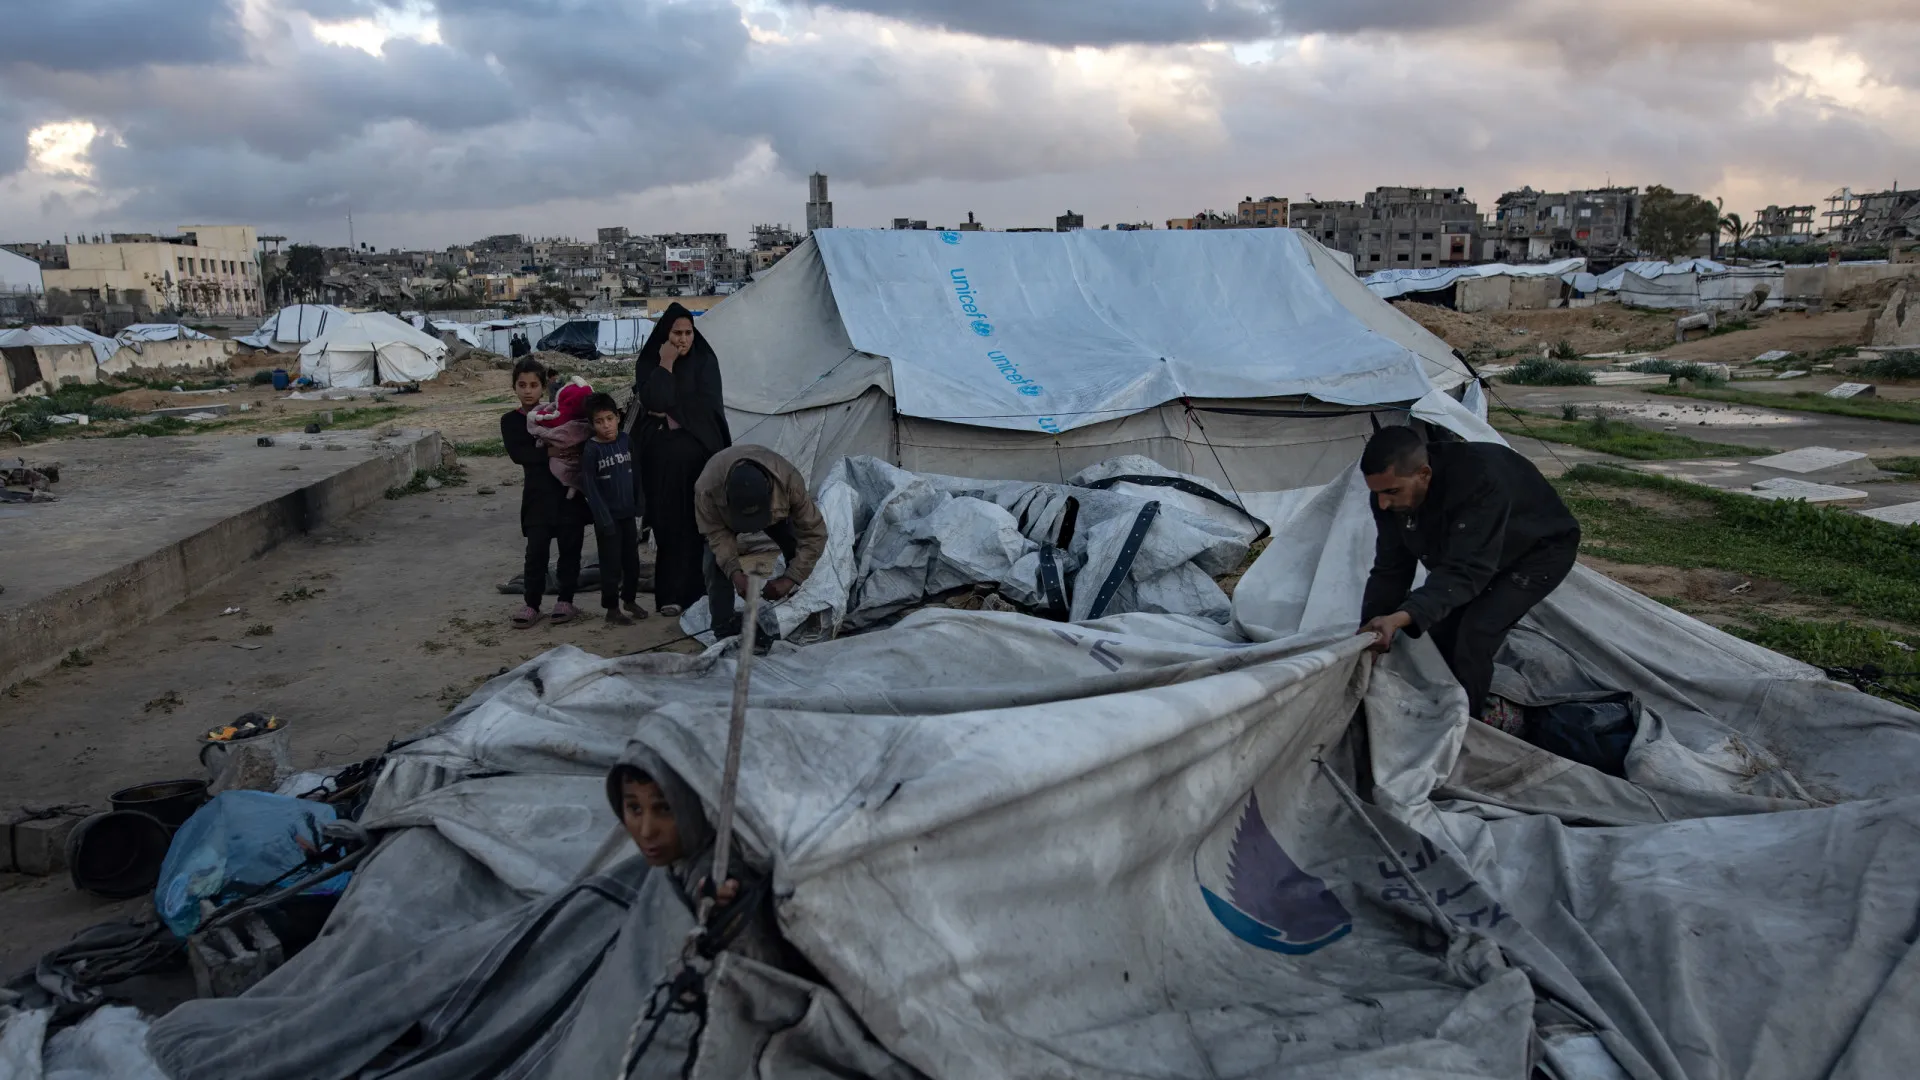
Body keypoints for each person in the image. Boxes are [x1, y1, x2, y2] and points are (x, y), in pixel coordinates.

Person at [1356, 425, 1580, 725]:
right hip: (1480, 549)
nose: (1383, 503)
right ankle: (1439, 708)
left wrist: (1399, 618)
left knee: (1475, 635)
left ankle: (1466, 730)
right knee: (1438, 632)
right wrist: (1371, 629)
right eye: (1377, 493)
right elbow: (1391, 567)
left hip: (1537, 552)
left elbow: (1466, 572)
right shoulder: (1387, 496)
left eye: (1392, 492)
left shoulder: (1479, 482)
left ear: (1424, 474)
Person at [632, 303, 731, 617]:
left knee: (697, 524)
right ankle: (670, 596)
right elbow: (656, 400)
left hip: (698, 457)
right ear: (665, 334)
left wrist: (669, 411)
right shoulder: (651, 361)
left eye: (688, 333)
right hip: (660, 461)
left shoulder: (705, 362)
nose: (683, 339)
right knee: (666, 524)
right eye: (677, 333)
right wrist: (666, 364)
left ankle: (697, 594)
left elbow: (708, 411)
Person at [693, 445, 829, 640]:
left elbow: (815, 534)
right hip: (725, 517)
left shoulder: (789, 482)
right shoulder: (707, 489)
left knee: (796, 546)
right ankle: (723, 628)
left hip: (776, 513)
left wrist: (790, 579)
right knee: (715, 563)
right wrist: (736, 575)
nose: (753, 529)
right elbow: (716, 534)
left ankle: (798, 607)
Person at [501, 359, 586, 627]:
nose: (528, 391)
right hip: (537, 497)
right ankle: (531, 604)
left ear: (544, 386)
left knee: (570, 549)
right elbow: (520, 454)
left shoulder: (559, 414)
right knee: (536, 553)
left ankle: (566, 600)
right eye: (522, 385)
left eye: (534, 385)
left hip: (567, 493)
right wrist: (551, 450)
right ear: (514, 387)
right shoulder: (511, 421)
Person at [579, 392, 648, 627]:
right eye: (599, 421)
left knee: (632, 561)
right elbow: (590, 487)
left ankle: (629, 600)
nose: (606, 425)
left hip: (628, 514)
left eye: (609, 418)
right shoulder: (591, 450)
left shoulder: (626, 441)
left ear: (618, 417)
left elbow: (637, 473)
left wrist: (640, 503)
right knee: (611, 564)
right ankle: (612, 608)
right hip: (607, 519)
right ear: (591, 424)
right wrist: (602, 518)